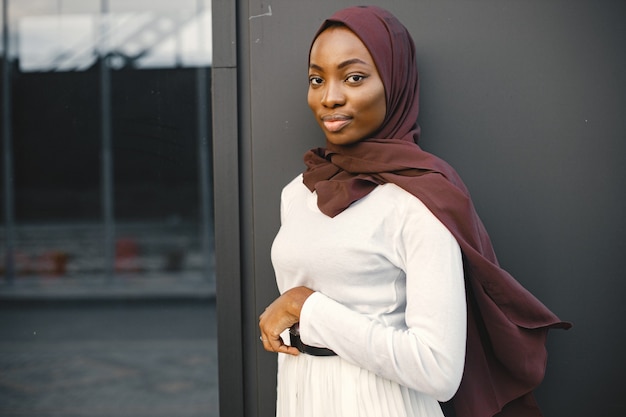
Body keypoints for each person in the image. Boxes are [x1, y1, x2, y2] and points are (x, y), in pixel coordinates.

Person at [259, 6, 570, 417]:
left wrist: (305, 306)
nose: (329, 97)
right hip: (302, 396)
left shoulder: (419, 200)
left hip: (380, 403)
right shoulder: (298, 193)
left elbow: (439, 370)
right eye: (317, 80)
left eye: (354, 77)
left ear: (395, 83)